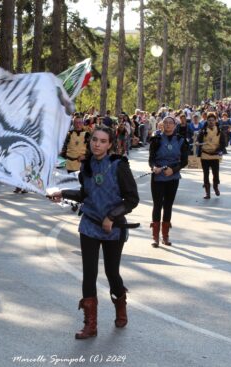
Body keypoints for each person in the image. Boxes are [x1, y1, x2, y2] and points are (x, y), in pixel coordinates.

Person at [49, 125, 139, 339]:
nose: (97, 144)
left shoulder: (119, 166)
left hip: (113, 227)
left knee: (111, 272)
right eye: (95, 140)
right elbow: (85, 193)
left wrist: (111, 217)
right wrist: (62, 193)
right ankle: (90, 324)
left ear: (110, 144)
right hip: (89, 224)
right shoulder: (86, 165)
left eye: (102, 141)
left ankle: (121, 305)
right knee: (89, 274)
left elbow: (132, 199)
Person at [149, 116, 188, 247]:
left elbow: (184, 161)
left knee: (168, 205)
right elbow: (151, 158)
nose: (168, 125)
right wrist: (154, 167)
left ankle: (165, 236)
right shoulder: (156, 139)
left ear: (175, 125)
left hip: (173, 176)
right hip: (158, 176)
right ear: (162, 125)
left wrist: (174, 170)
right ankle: (155, 237)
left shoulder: (181, 140)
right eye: (165, 123)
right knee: (157, 204)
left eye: (170, 123)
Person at [197, 112, 226, 199]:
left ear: (215, 121)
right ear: (207, 120)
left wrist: (219, 149)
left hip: (215, 155)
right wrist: (198, 142)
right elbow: (198, 140)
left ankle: (215, 186)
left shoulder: (219, 130)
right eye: (209, 120)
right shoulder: (203, 130)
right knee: (206, 174)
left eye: (213, 120)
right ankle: (207, 192)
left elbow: (223, 143)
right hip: (205, 155)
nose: (211, 122)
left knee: (215, 174)